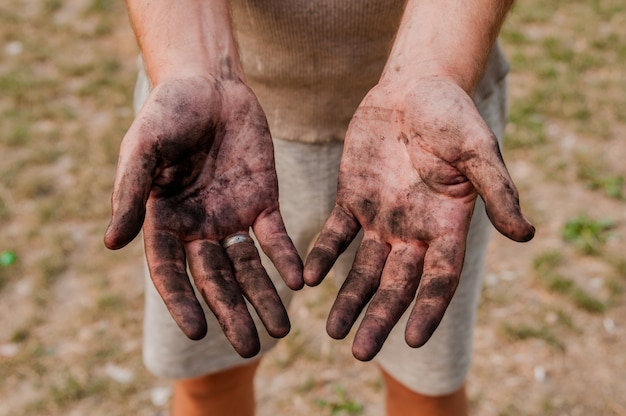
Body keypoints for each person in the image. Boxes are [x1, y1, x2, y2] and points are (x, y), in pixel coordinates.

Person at [104, 0, 535, 415]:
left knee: (425, 388)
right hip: (210, 141)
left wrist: (431, 69)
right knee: (208, 379)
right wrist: (196, 68)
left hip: (429, 140)